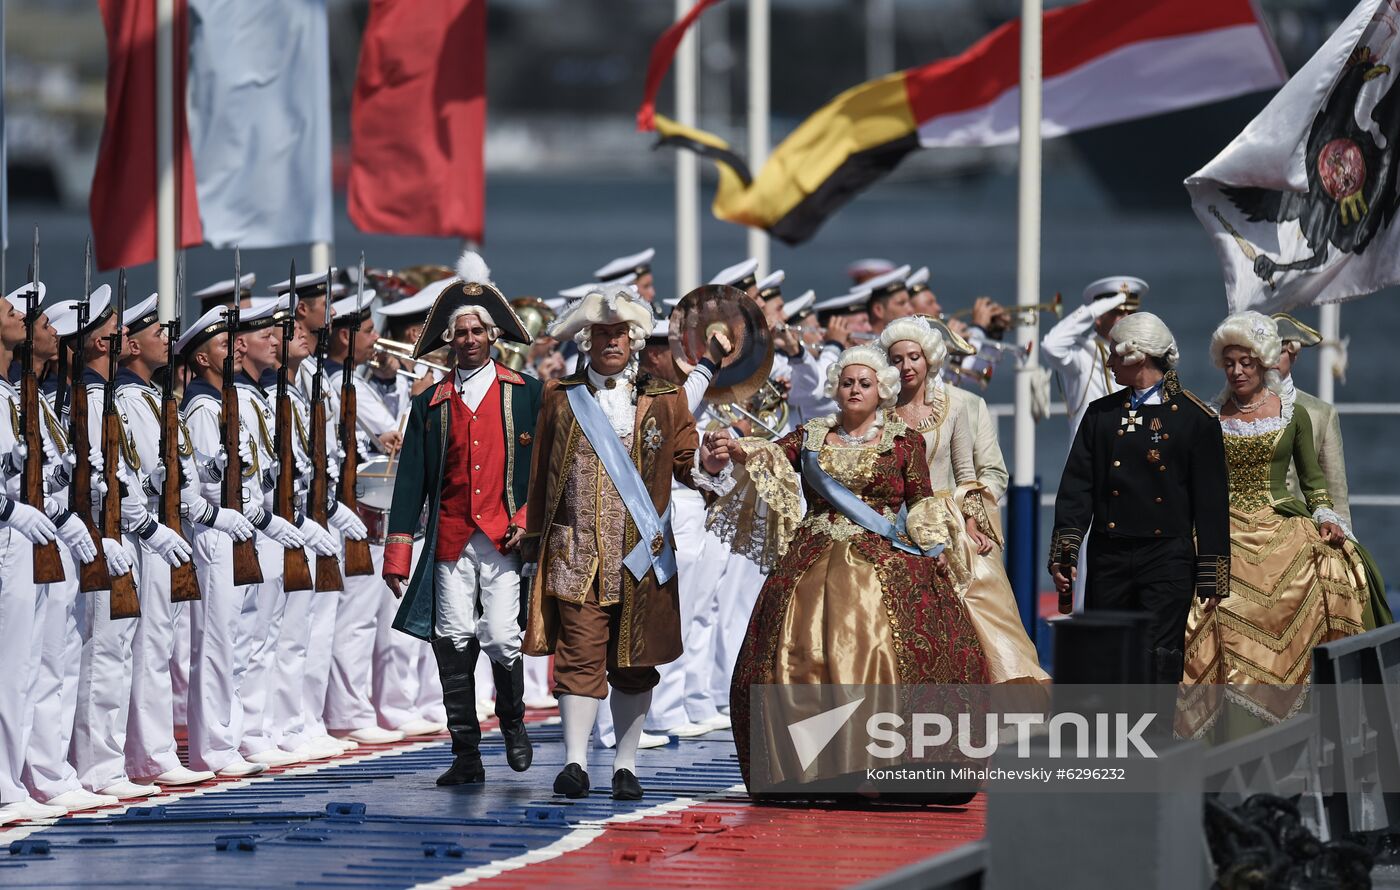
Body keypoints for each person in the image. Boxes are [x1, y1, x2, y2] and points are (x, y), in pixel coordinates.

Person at [711, 344, 988, 792]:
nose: (855, 390)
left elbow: (919, 498)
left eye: (865, 383)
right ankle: (806, 767)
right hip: (813, 552)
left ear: (882, 392)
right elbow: (772, 456)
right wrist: (735, 446)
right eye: (847, 383)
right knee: (797, 650)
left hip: (884, 554)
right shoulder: (813, 434)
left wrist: (933, 541)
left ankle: (882, 764)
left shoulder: (903, 440)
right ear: (835, 390)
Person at [522, 282, 733, 801]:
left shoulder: (664, 400)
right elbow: (539, 476)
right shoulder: (560, 398)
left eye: (619, 334)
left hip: (642, 556)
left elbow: (687, 462)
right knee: (579, 654)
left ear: (634, 341)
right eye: (602, 334)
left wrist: (709, 464)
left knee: (636, 664)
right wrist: (530, 546)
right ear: (587, 341)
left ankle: (625, 764)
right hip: (577, 554)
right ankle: (574, 763)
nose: (611, 342)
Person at [383, 252, 540, 786]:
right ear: (450, 340)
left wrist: (526, 516)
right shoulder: (431, 402)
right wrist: (399, 549)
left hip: (502, 536)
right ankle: (466, 753)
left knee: (501, 634)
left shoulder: (527, 393)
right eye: (461, 332)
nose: (469, 339)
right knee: (451, 639)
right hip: (450, 537)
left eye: (477, 330)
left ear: (492, 336)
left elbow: (543, 469)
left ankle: (514, 724)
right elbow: (409, 482)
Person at [1180, 312, 1372, 731]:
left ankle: (1318, 715)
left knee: (1335, 571)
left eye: (1246, 362)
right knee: (1207, 597)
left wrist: (1326, 516)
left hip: (1282, 520)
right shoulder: (1210, 418)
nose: (1237, 371)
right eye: (1230, 363)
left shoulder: (1292, 414)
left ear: (1264, 362)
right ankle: (1224, 724)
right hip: (1224, 527)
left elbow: (1315, 483)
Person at [1049, 312, 1230, 684]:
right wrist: (1065, 556)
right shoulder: (1101, 415)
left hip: (1166, 560)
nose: (1110, 362)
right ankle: (1107, 740)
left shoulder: (1196, 420)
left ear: (1138, 357)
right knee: (1106, 655)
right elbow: (1076, 490)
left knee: (1158, 657)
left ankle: (1154, 740)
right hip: (1109, 555)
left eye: (1115, 354)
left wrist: (1212, 579)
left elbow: (1211, 504)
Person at [881, 317, 1047, 686]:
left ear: (929, 359)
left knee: (983, 595)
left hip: (951, 522)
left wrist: (973, 522)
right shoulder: (880, 410)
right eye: (897, 360)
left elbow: (978, 474)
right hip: (892, 525)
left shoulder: (961, 405)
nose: (906, 366)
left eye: (914, 357)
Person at [1041, 276, 1144, 436]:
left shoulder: (1143, 354)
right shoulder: (1083, 354)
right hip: (1092, 454)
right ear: (1099, 317)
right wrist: (1093, 310)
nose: (1126, 318)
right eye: (1117, 311)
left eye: (1131, 312)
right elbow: (1051, 345)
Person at [861, 264, 914, 335]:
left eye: (910, 303)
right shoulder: (864, 345)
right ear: (878, 310)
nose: (911, 310)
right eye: (901, 303)